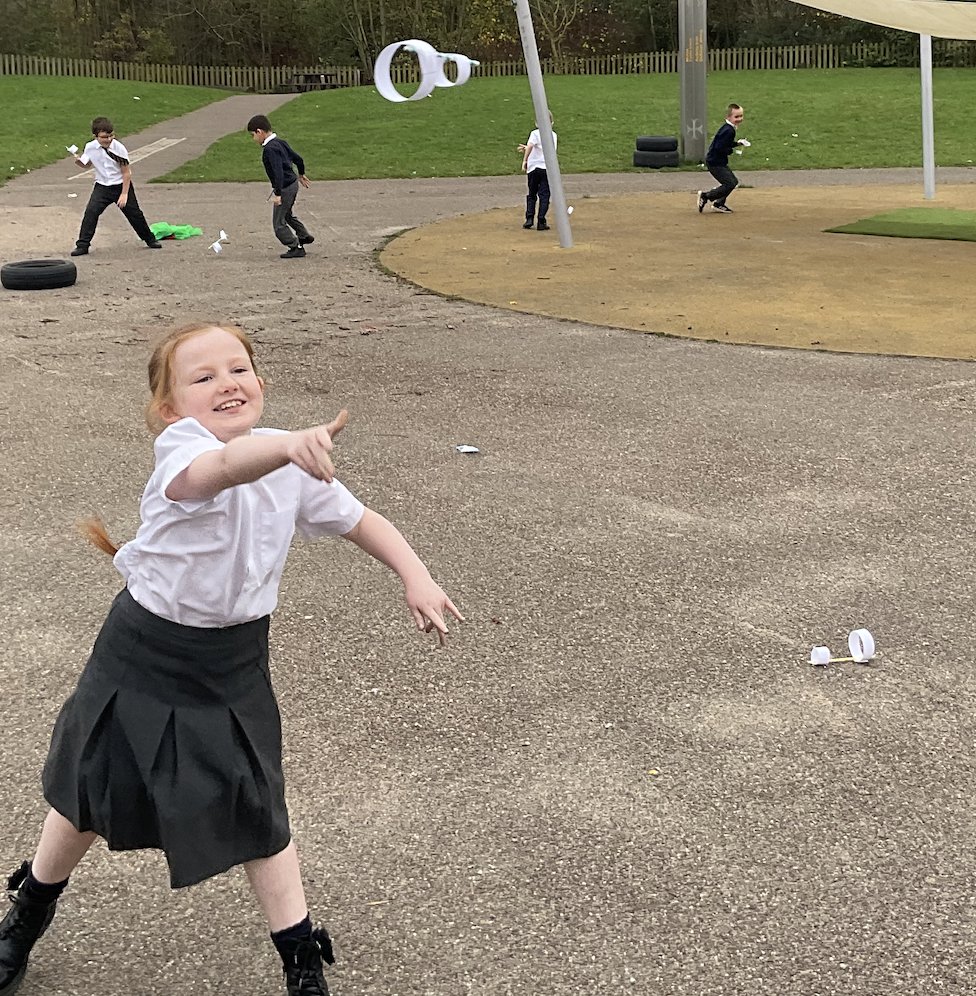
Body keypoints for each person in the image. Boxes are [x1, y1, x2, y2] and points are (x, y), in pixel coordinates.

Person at [0, 322, 462, 996]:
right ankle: (27, 914)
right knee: (89, 792)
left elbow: (363, 520)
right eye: (204, 377)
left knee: (256, 807)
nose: (227, 383)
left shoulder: (286, 460)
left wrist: (414, 575)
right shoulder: (181, 453)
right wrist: (285, 449)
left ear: (261, 384)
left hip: (232, 662)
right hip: (144, 652)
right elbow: (218, 471)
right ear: (170, 409)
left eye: (238, 369)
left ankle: (301, 959)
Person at [69, 116, 162, 256]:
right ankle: (82, 245)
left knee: (134, 214)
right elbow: (87, 164)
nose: (108, 140)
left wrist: (124, 194)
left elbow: (126, 172)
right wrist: (79, 162)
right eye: (104, 137)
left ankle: (149, 239)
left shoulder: (119, 148)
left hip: (120, 185)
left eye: (111, 135)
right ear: (95, 136)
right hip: (102, 186)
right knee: (91, 213)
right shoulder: (90, 147)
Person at [247, 114, 314, 259]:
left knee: (278, 223)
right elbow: (298, 159)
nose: (253, 139)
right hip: (292, 184)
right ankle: (304, 235)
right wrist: (301, 174)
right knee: (287, 214)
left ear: (260, 132)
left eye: (253, 135)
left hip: (284, 187)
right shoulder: (280, 142)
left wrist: (277, 194)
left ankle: (296, 246)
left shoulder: (270, 149)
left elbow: (278, 173)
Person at [698, 103, 748, 215]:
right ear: (728, 117)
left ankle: (719, 203)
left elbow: (724, 143)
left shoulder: (728, 128)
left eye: (741, 116)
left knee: (731, 182)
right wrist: (731, 150)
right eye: (736, 117)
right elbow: (720, 147)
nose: (739, 119)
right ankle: (706, 196)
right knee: (730, 183)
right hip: (715, 162)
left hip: (717, 161)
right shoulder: (729, 130)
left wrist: (737, 143)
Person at [518, 112, 556, 232]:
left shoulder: (535, 133)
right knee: (544, 195)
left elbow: (531, 146)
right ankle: (541, 220)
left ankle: (529, 218)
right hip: (546, 168)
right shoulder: (553, 135)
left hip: (533, 168)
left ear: (537, 123)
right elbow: (546, 149)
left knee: (532, 193)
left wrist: (525, 160)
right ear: (552, 123)